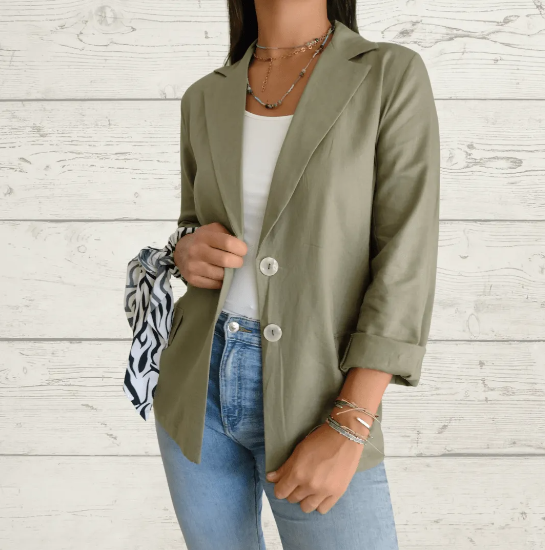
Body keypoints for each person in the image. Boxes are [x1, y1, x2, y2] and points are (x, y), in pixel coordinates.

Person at [124, 1, 440, 548]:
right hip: (196, 389)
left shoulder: (388, 74)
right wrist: (186, 251)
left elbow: (406, 258)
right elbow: (194, 225)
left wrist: (351, 421)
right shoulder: (205, 96)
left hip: (320, 391)